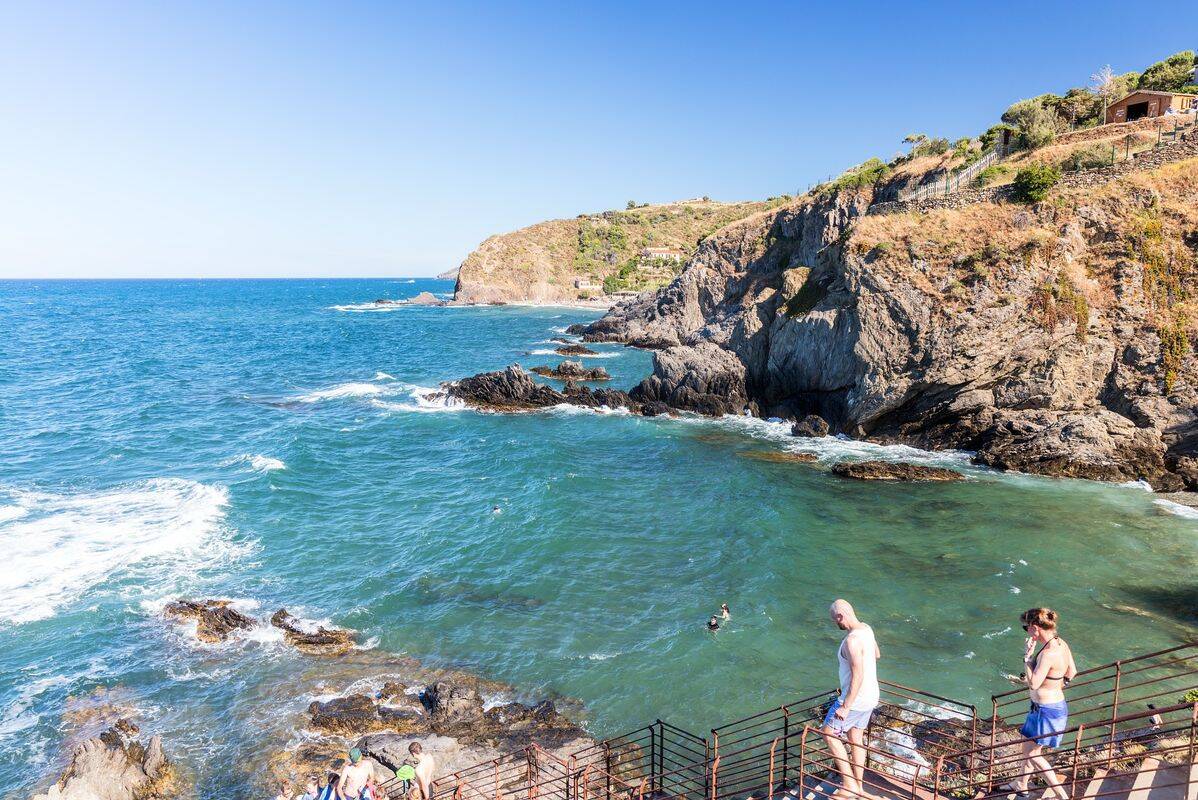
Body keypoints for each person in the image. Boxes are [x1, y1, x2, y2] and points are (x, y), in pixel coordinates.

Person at [1004, 608, 1077, 800]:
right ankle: (1021, 783)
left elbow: (1034, 683)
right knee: (1029, 749)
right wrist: (1056, 685)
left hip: (1045, 711)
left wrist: (1027, 658)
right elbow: (1072, 671)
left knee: (1033, 754)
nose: (1025, 631)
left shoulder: (1047, 654)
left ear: (1035, 628)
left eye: (1025, 627)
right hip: (1050, 707)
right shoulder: (1061, 644)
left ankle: (1061, 795)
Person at [821, 599, 881, 800]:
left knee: (829, 734)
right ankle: (859, 787)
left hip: (855, 700)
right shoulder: (866, 629)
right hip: (871, 697)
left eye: (835, 620)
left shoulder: (851, 641)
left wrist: (846, 706)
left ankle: (849, 785)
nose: (836, 624)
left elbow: (858, 674)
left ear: (840, 616)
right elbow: (877, 654)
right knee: (856, 739)